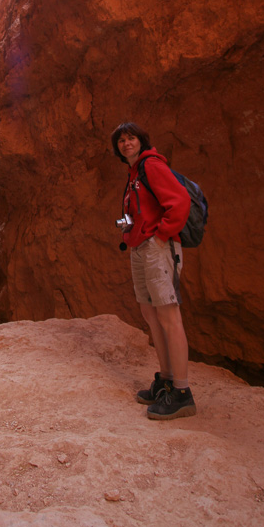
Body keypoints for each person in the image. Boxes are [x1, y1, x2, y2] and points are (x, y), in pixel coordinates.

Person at [111, 121, 197, 420]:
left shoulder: (152, 166)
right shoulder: (133, 175)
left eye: (131, 138)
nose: (126, 143)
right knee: (151, 314)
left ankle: (182, 393)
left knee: (169, 315)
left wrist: (161, 234)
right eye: (121, 141)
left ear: (141, 140)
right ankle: (167, 378)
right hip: (140, 249)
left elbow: (180, 201)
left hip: (159, 249)